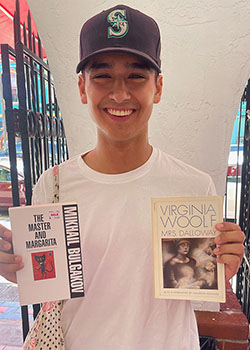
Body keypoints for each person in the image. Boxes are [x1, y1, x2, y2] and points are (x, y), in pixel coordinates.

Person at [0, 4, 245, 350]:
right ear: (83, 88)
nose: (119, 94)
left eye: (136, 76)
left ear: (157, 88)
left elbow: (196, 289)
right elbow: (50, 290)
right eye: (102, 76)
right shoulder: (53, 186)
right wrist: (17, 267)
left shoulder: (192, 187)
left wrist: (223, 263)